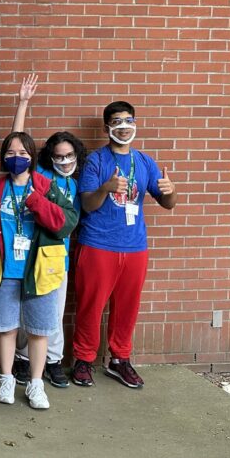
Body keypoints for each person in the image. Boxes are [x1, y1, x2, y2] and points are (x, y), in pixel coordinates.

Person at [70, 101, 177, 388]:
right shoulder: (96, 161)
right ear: (107, 128)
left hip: (134, 247)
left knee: (127, 307)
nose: (124, 126)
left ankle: (120, 359)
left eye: (129, 121)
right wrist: (105, 188)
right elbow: (87, 205)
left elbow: (167, 204)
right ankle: (83, 359)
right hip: (98, 244)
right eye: (117, 122)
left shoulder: (145, 162)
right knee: (91, 306)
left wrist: (170, 192)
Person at [0, 132, 77, 409]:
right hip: (4, 268)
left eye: (23, 153)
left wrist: (37, 202)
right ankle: (7, 379)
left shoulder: (46, 185)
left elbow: (67, 222)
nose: (17, 158)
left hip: (40, 269)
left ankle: (36, 384)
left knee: (39, 330)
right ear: (2, 157)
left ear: (32, 157)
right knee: (6, 329)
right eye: (10, 153)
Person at [8, 76, 87, 389]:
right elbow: (18, 140)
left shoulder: (78, 184)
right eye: (59, 156)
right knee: (30, 312)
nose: (64, 161)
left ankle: (53, 360)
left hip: (61, 258)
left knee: (54, 311)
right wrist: (23, 103)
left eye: (70, 155)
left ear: (77, 156)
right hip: (33, 254)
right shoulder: (40, 175)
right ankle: (25, 360)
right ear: (50, 157)